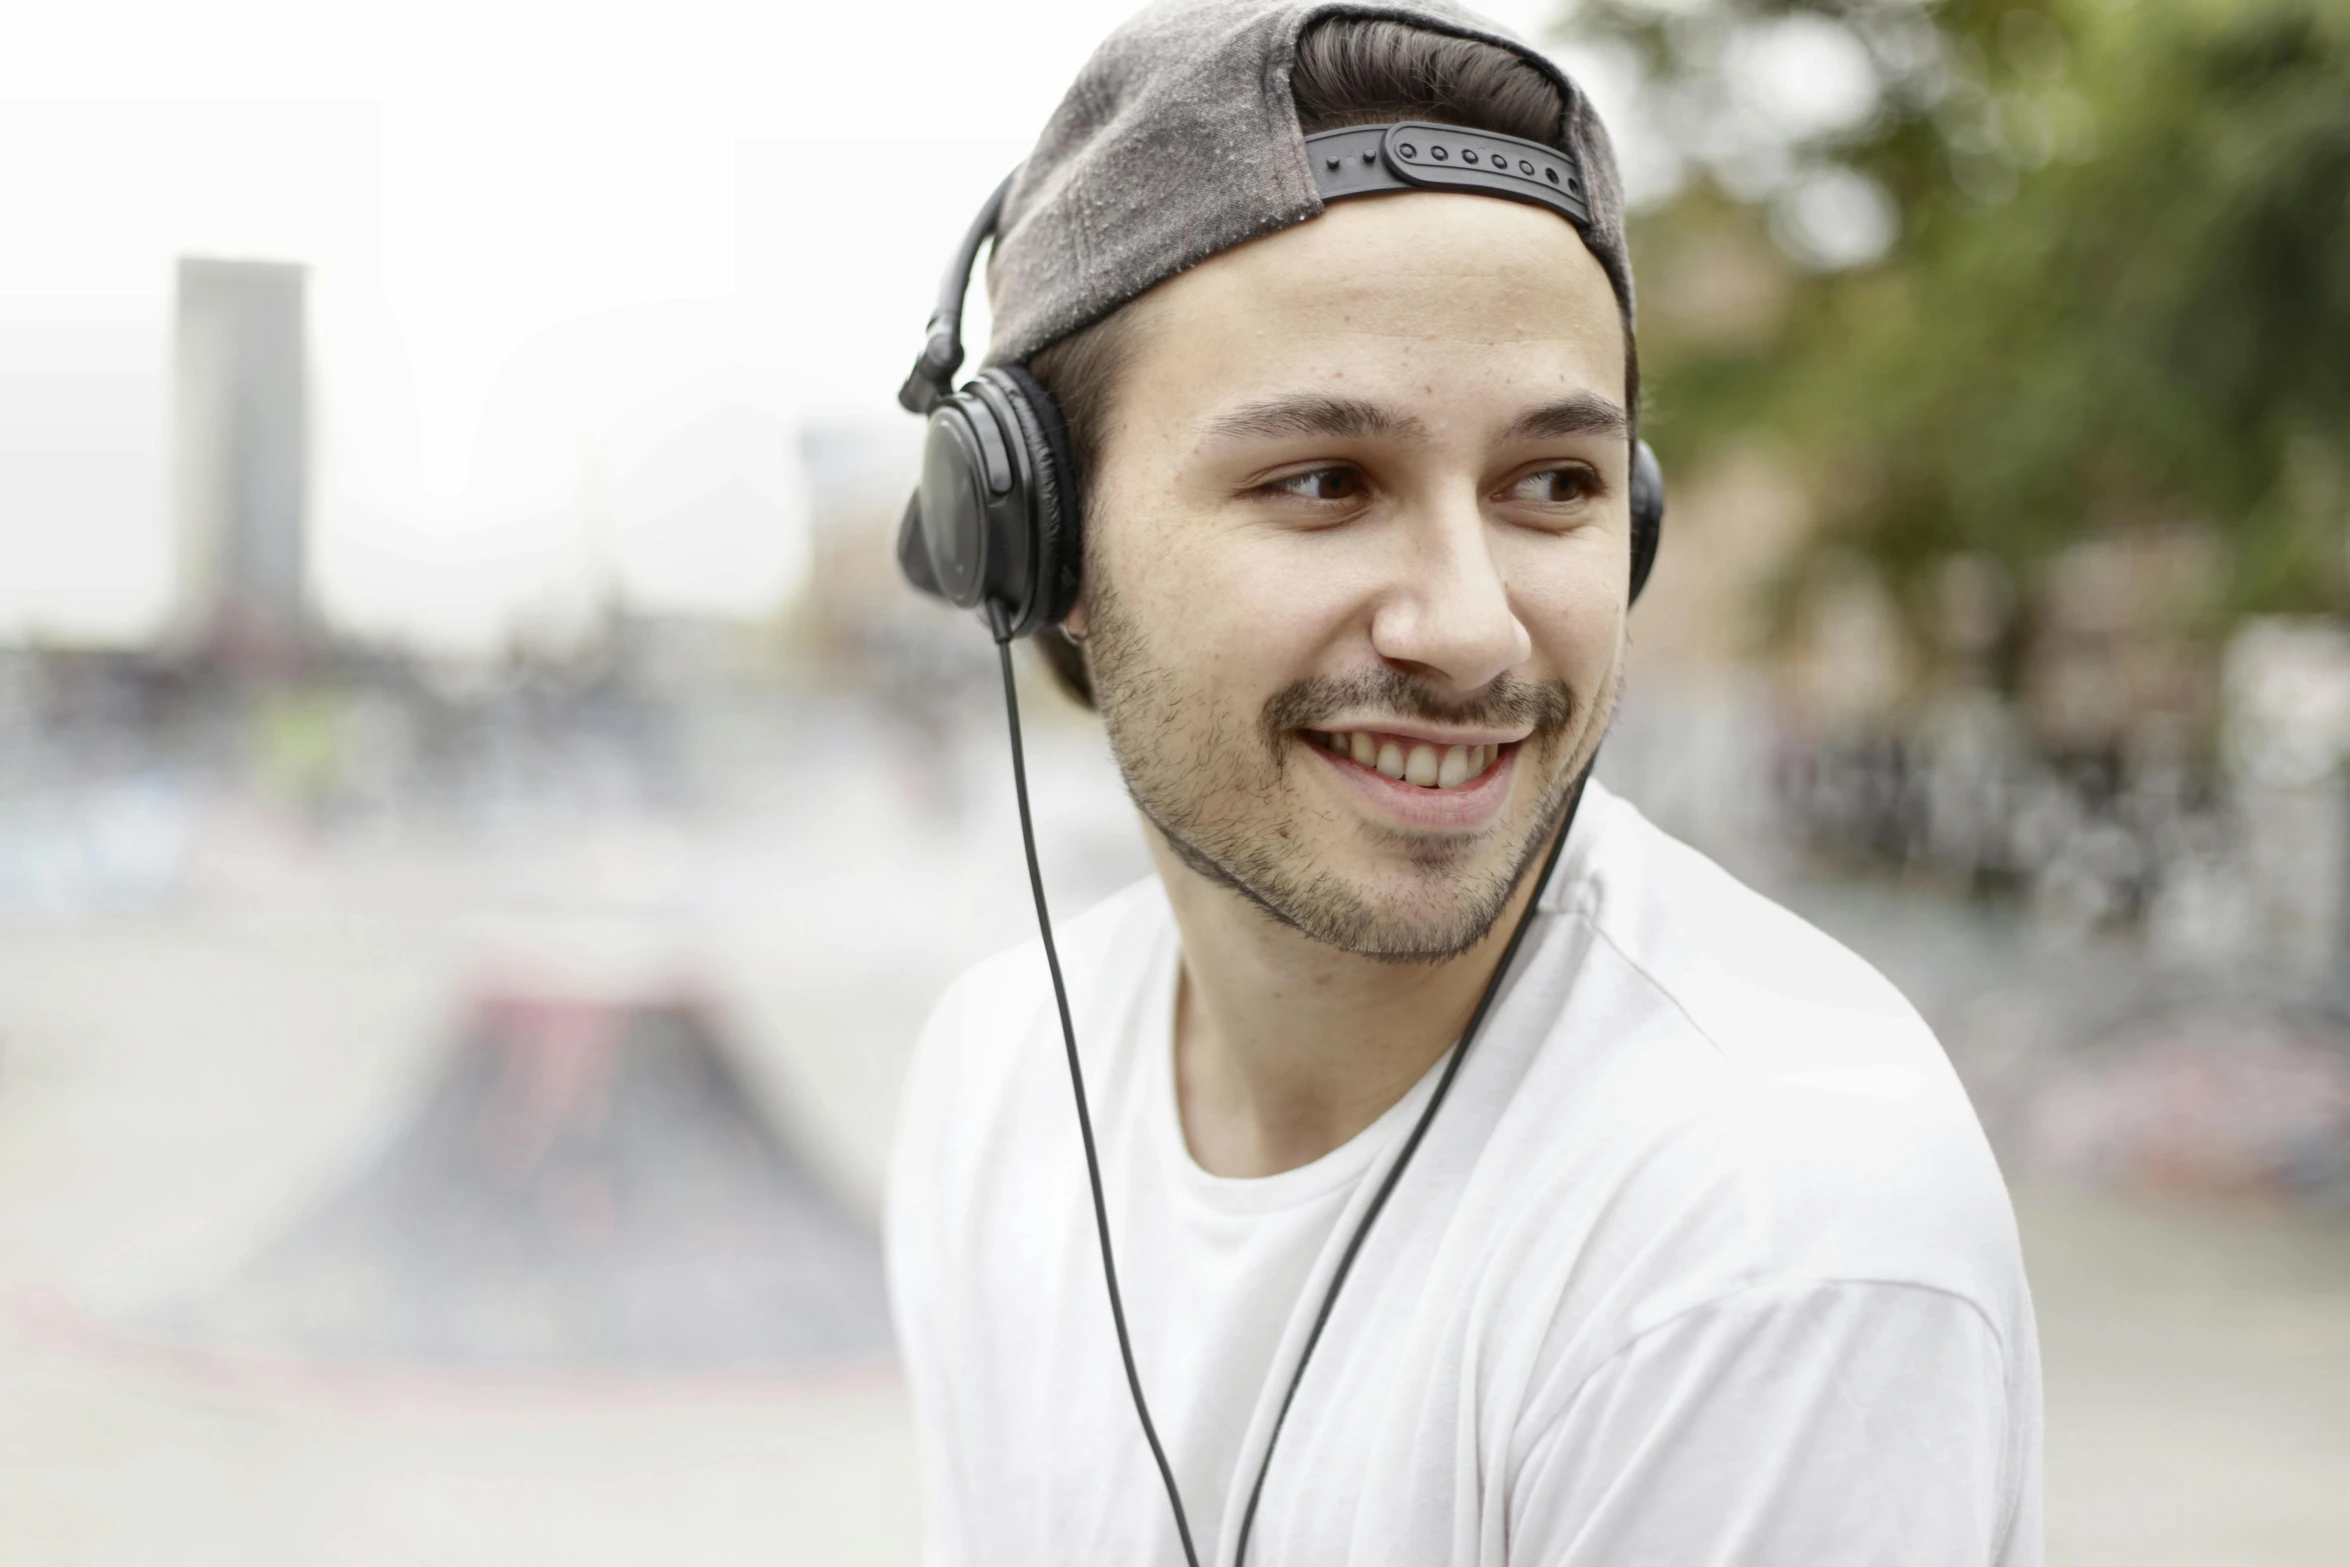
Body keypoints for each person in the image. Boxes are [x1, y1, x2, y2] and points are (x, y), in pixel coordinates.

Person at [885, 3, 2042, 1563]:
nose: (1471, 625)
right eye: (1322, 482)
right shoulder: (998, 1078)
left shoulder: (1767, 1223)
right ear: (1039, 545)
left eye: (1549, 484)